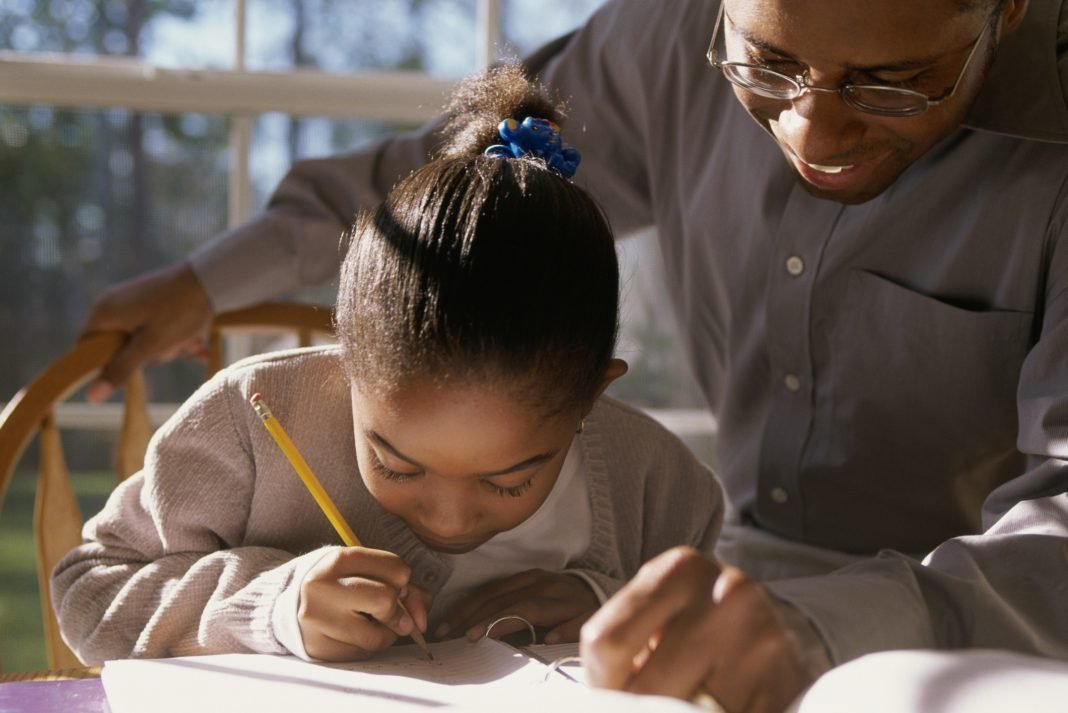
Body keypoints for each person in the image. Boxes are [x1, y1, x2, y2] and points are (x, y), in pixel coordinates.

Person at [79, 0, 1068, 710]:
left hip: (977, 633)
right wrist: (209, 281)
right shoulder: (665, 42)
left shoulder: (644, 489)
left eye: (893, 82)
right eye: (767, 64)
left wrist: (814, 628)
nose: (813, 127)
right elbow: (447, 177)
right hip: (717, 585)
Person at [50, 64, 725, 665]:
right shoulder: (248, 426)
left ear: (590, 396)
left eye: (508, 482)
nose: (452, 517)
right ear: (348, 361)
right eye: (397, 463)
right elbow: (88, 593)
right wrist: (270, 605)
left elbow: (717, 637)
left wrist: (604, 601)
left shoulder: (661, 489)